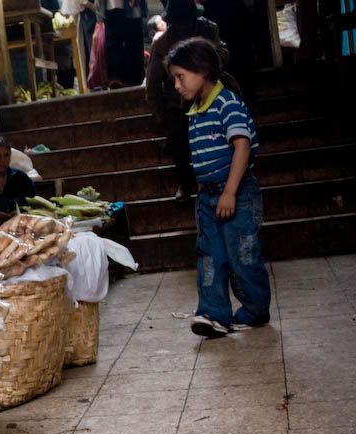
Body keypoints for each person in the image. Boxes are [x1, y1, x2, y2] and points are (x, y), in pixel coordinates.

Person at [165, 37, 270, 338]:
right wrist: (206, 190)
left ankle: (254, 311)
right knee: (210, 254)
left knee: (242, 254)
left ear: (203, 69)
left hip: (237, 192)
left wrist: (230, 192)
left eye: (180, 77)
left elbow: (242, 147)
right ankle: (213, 314)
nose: (176, 85)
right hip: (208, 195)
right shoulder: (195, 111)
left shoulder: (228, 103)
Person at [146, 0, 223, 201]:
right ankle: (184, 182)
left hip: (210, 95)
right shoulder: (162, 43)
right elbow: (153, 83)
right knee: (178, 134)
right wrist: (160, 115)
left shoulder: (208, 30)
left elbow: (223, 58)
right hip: (178, 102)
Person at [95, 0, 149, 88]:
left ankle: (133, 82)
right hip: (110, 6)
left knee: (134, 44)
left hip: (131, 9)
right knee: (113, 43)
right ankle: (116, 78)